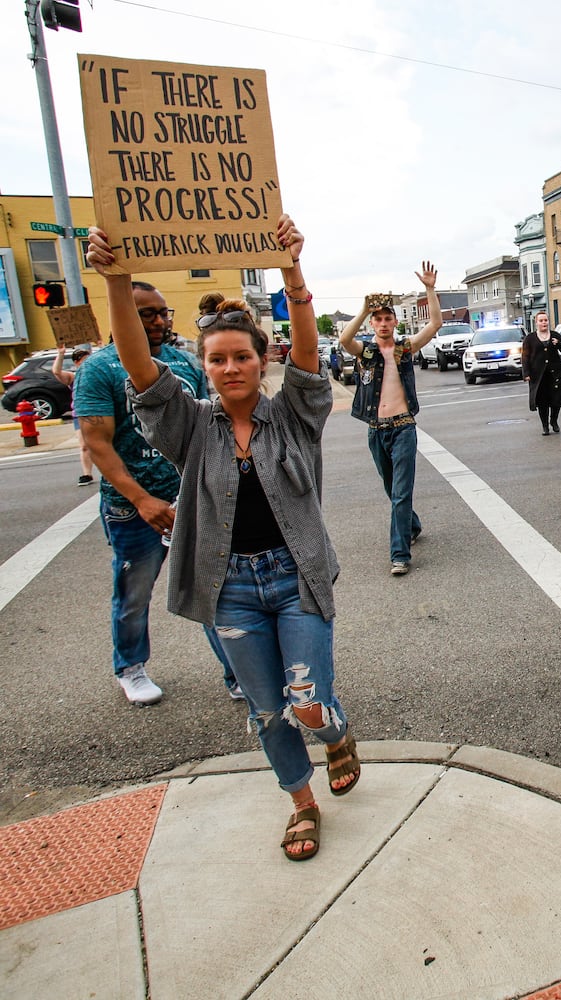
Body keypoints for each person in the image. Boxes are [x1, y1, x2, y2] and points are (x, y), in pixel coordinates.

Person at [88, 215, 360, 863]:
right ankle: (301, 804)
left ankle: (338, 734)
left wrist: (293, 271)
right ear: (203, 366)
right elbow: (138, 365)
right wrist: (117, 280)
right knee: (269, 711)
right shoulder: (188, 426)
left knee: (310, 704)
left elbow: (309, 356)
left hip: (295, 578)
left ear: (261, 358)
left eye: (242, 355)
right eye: (218, 359)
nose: (231, 367)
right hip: (231, 588)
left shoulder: (294, 415)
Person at [73, 279, 237, 704]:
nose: (161, 320)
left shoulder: (183, 363)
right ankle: (130, 666)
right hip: (134, 510)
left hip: (190, 500)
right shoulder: (99, 368)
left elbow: (206, 429)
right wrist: (142, 500)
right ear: (123, 313)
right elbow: (98, 442)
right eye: (148, 313)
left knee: (212, 589)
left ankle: (237, 672)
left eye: (163, 312)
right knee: (135, 592)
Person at [338, 267, 441, 576]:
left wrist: (430, 290)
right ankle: (413, 524)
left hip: (403, 427)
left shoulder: (404, 349)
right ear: (373, 323)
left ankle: (400, 554)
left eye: (387, 319)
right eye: (378, 319)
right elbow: (345, 339)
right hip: (376, 430)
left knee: (400, 492)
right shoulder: (366, 352)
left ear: (395, 322)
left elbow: (435, 323)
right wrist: (364, 308)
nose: (383, 324)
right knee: (391, 489)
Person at [52, 343, 96, 486]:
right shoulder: (73, 377)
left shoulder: (98, 374)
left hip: (100, 412)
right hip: (81, 414)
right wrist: (60, 353)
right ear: (77, 362)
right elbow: (57, 372)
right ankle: (86, 474)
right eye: (84, 360)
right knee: (84, 445)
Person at [523, 311, 561, 435]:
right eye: (541, 321)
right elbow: (525, 356)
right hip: (538, 375)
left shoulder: (555, 335)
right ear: (536, 323)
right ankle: (545, 426)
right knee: (542, 402)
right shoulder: (530, 338)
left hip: (555, 374)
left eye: (546, 320)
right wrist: (526, 373)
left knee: (556, 400)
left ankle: (554, 421)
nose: (544, 323)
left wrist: (558, 343)